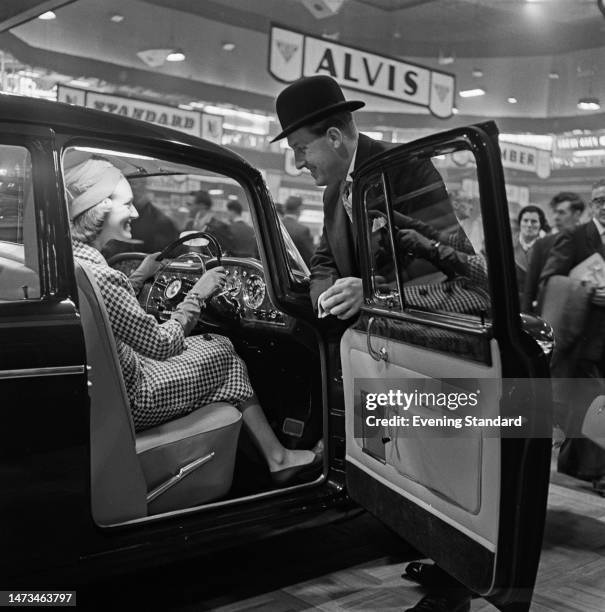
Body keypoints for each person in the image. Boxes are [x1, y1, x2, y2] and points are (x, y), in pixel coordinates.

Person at [272, 74, 481, 612]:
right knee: (399, 458)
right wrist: (327, 297)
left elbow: (448, 257)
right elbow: (324, 261)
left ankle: (459, 579)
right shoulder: (334, 189)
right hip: (372, 344)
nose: (299, 163)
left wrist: (372, 290)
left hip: (426, 340)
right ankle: (426, 544)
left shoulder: (406, 168)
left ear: (336, 137)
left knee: (437, 459)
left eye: (301, 149)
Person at [65, 157, 320, 486]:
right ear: (99, 209)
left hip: (110, 383)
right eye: (127, 204)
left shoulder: (75, 262)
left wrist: (141, 276)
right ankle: (277, 457)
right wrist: (197, 294)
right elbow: (161, 344)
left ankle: (267, 456)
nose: (136, 212)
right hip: (134, 394)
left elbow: (108, 312)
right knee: (225, 350)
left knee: (210, 344)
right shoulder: (102, 275)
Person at [540, 179, 605, 495]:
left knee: (590, 403)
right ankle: (598, 472)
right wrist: (587, 292)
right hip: (583, 339)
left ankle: (579, 464)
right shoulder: (575, 238)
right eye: (599, 200)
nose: (604, 206)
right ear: (591, 205)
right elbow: (550, 281)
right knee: (595, 400)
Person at [522, 192, 585, 313]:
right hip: (550, 312)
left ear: (577, 214)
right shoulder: (542, 244)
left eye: (561, 213)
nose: (556, 217)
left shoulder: (589, 240)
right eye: (555, 212)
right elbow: (530, 287)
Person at [129, 177, 180, 252]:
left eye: (133, 184)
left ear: (143, 185)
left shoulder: (161, 221)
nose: (131, 187)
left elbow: (167, 253)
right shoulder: (123, 214)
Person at [514, 205, 548, 304]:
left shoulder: (549, 246)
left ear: (540, 224)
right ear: (520, 223)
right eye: (525, 220)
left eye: (534, 221)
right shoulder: (507, 243)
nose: (529, 225)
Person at [185, 190, 234, 254]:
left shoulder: (219, 227)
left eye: (189, 204)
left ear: (202, 205)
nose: (186, 208)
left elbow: (225, 254)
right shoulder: (190, 225)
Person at [282, 195, 315, 265]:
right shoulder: (302, 231)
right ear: (299, 209)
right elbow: (310, 258)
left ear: (285, 208)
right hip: (294, 273)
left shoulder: (275, 226)